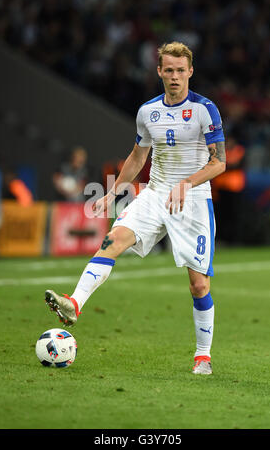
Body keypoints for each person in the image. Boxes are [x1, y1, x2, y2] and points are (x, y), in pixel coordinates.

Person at [45, 42, 226, 375]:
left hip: (194, 201)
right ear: (159, 71)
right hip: (156, 194)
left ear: (190, 72)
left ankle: (203, 355)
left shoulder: (205, 109)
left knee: (199, 285)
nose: (174, 76)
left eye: (180, 70)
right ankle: (74, 304)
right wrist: (113, 193)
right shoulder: (148, 112)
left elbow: (219, 163)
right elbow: (138, 157)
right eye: (168, 70)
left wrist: (187, 183)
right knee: (113, 240)